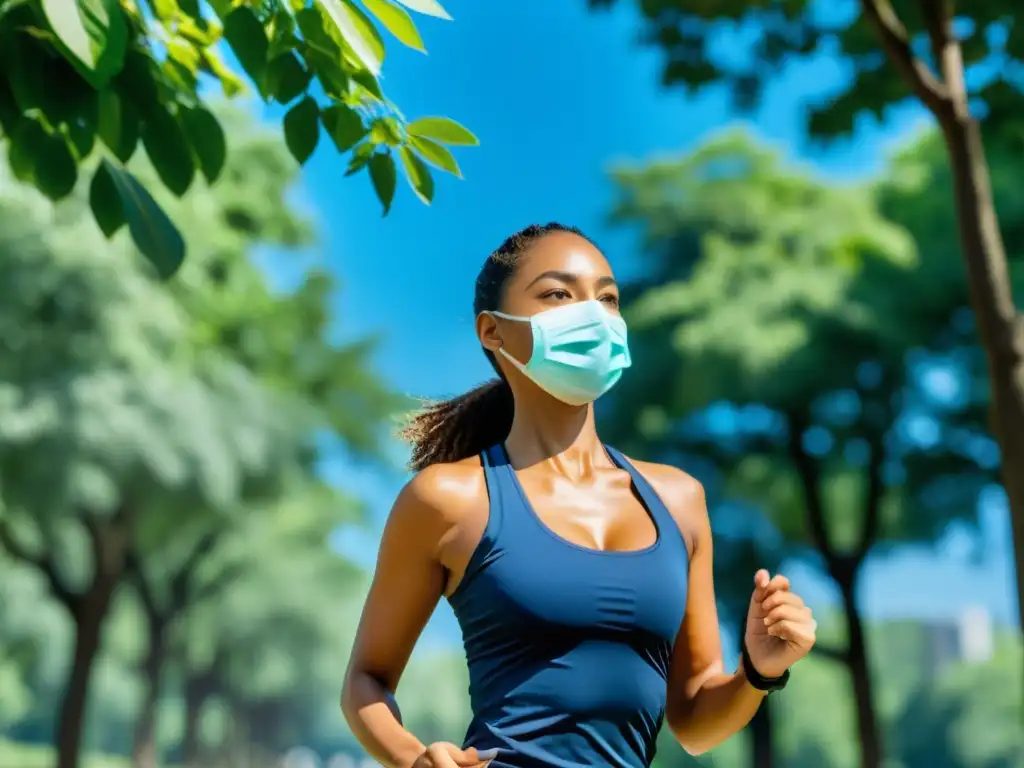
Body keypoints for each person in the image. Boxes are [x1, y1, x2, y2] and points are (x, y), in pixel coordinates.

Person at [342, 223, 817, 768]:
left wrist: (760, 671)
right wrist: (414, 759)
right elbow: (364, 681)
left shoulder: (679, 500)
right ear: (493, 332)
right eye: (558, 294)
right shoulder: (448, 500)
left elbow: (694, 722)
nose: (592, 314)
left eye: (608, 297)